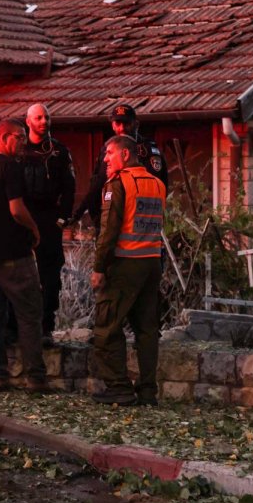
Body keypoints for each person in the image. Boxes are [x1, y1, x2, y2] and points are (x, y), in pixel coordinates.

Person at [0, 118, 49, 393]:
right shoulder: (10, 168)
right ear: (4, 138)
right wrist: (34, 228)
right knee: (29, 314)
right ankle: (35, 378)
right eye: (19, 137)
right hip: (13, 255)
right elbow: (16, 209)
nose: (24, 143)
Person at [89, 135, 166, 406]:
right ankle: (147, 391)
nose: (106, 159)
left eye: (109, 153)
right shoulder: (157, 184)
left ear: (125, 155)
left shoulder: (119, 183)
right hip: (151, 262)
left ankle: (119, 387)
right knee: (146, 329)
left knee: (106, 326)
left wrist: (99, 268)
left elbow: (109, 232)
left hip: (125, 264)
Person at [18, 103, 75, 344]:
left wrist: (62, 219)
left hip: (49, 219)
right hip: (21, 218)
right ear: (28, 121)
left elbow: (70, 188)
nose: (44, 121)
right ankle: (16, 326)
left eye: (47, 117)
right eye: (39, 118)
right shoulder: (18, 150)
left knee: (50, 275)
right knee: (18, 273)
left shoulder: (59, 152)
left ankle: (46, 326)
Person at [71, 104, 168, 228]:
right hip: (108, 220)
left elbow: (159, 187)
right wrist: (84, 214)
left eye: (127, 123)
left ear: (136, 124)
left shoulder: (148, 150)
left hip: (137, 221)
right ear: (112, 125)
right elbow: (97, 184)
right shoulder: (108, 148)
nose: (122, 128)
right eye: (118, 123)